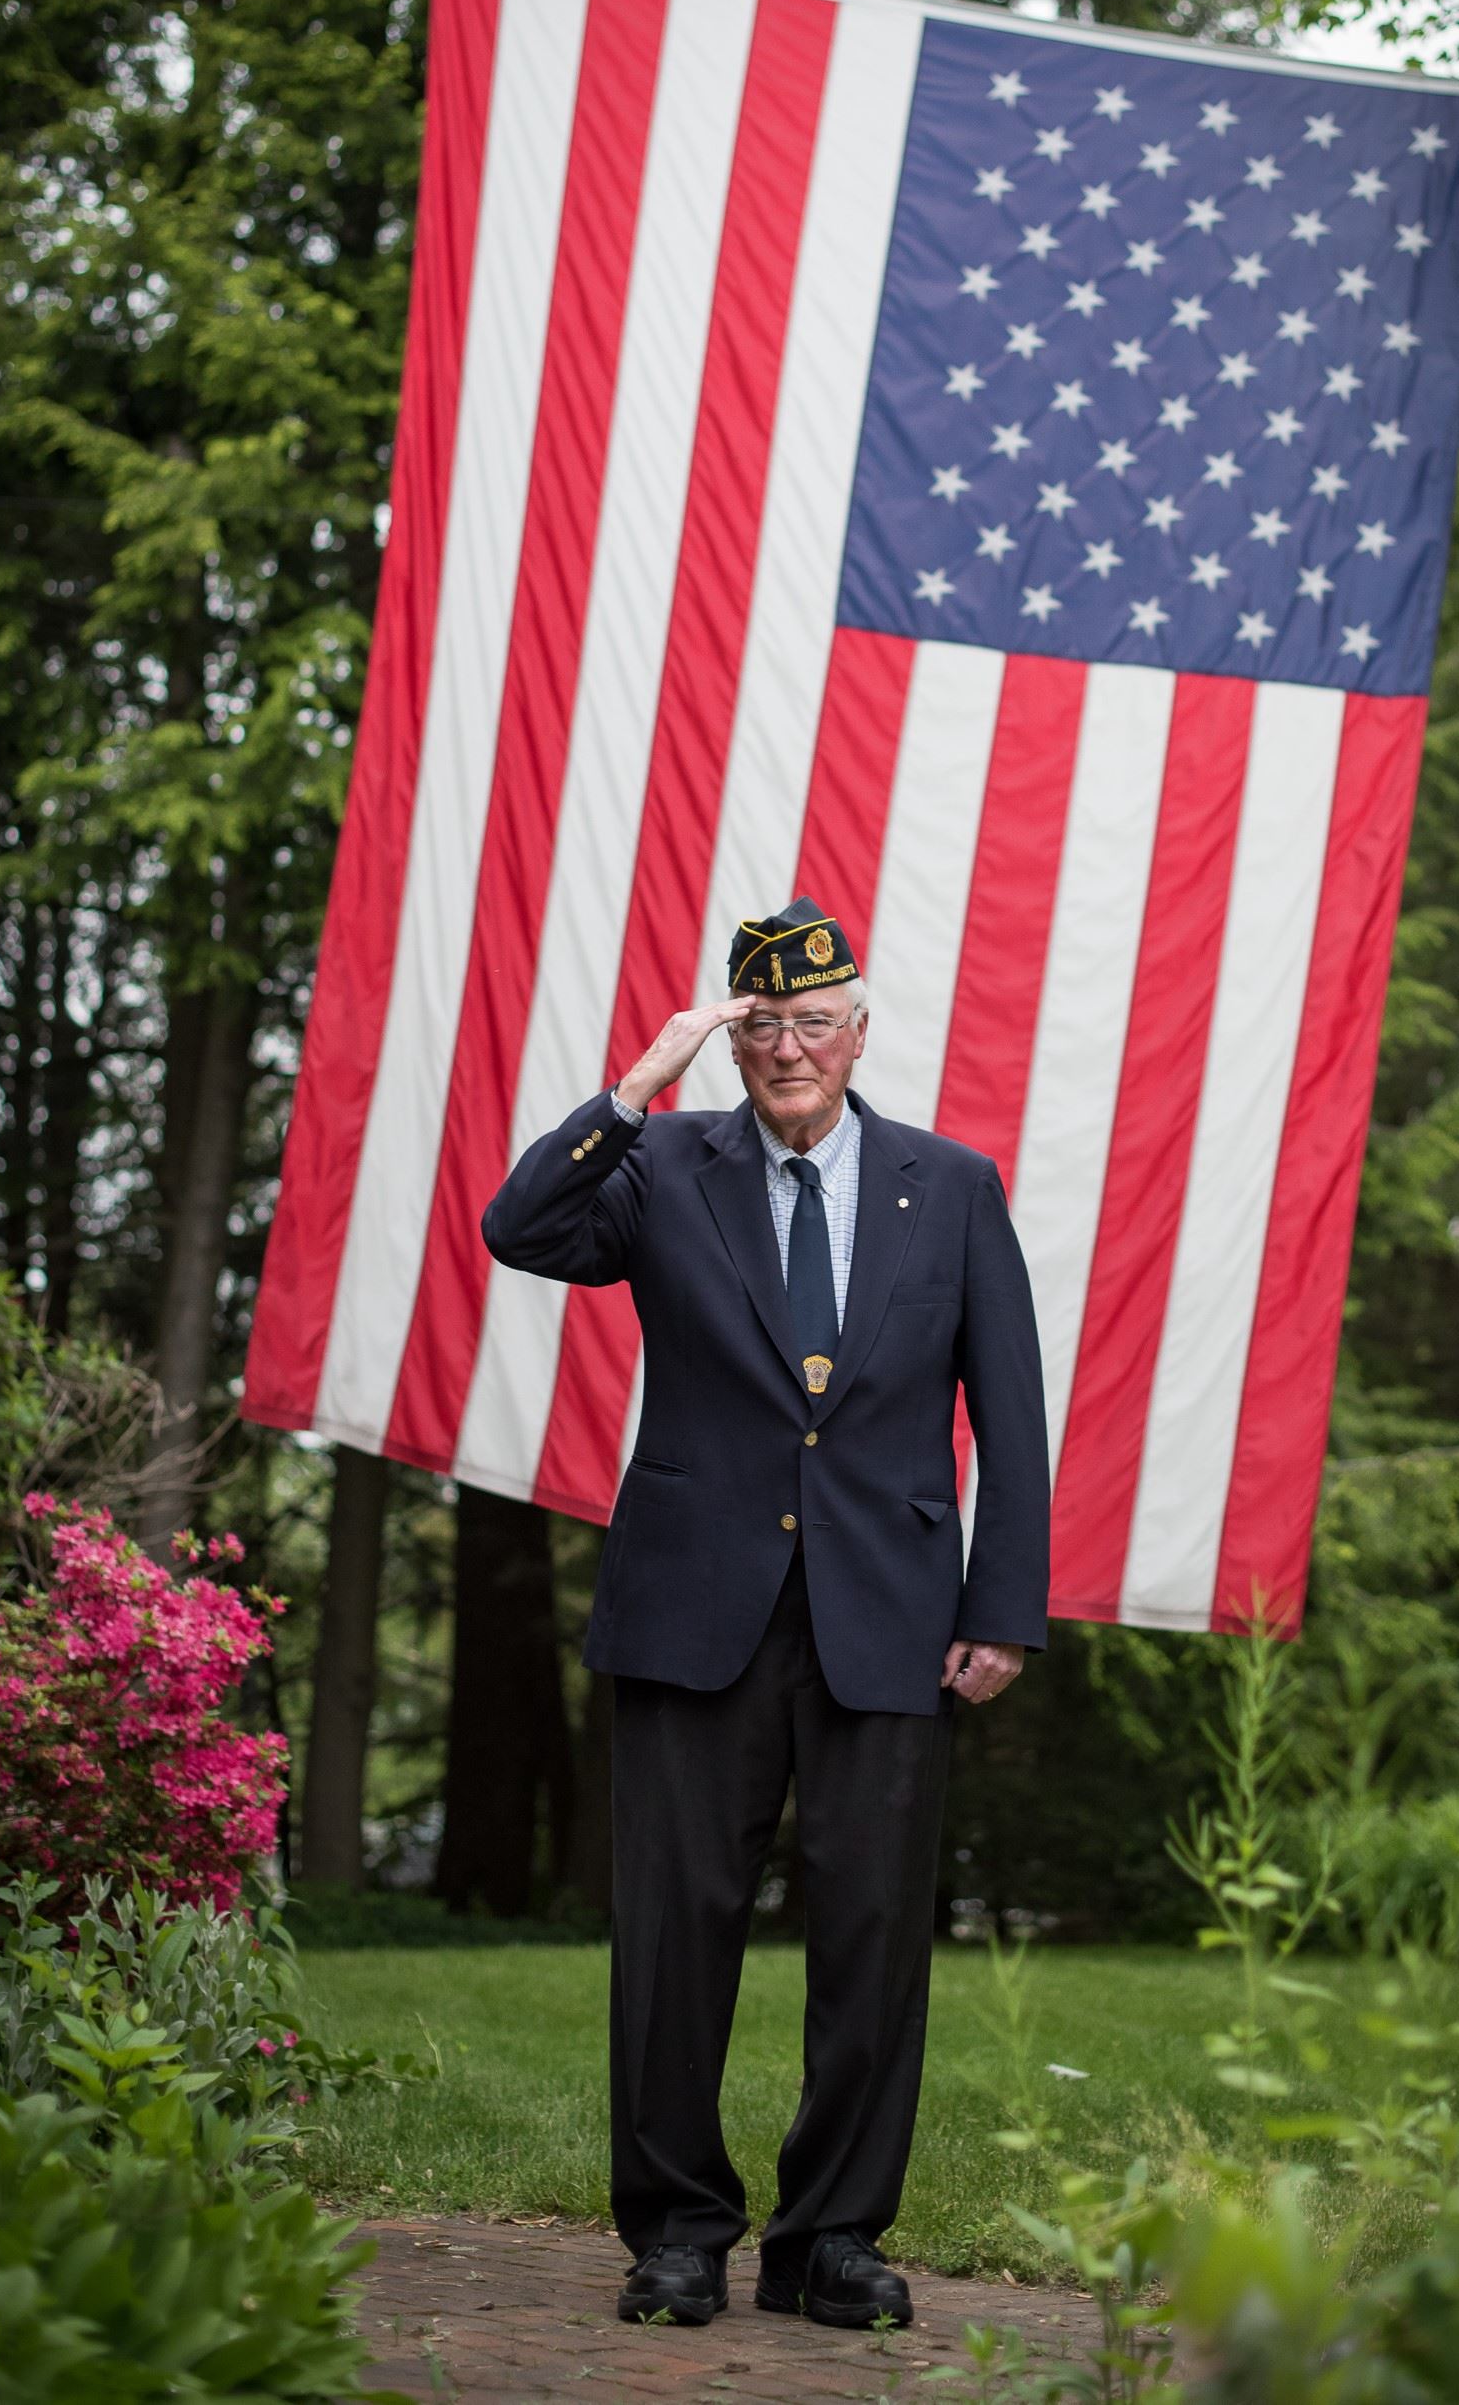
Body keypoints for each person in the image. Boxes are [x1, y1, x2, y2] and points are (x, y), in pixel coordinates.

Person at [483, 898, 1050, 2332]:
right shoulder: (666, 1164)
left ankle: (831, 2238)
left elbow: (1012, 1410)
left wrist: (1002, 1607)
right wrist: (641, 1080)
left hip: (893, 1614)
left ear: (858, 1032)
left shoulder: (950, 1184)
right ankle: (678, 2232)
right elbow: (519, 1226)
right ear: (732, 1041)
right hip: (694, 1608)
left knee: (873, 1936)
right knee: (674, 1936)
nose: (791, 1048)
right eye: (764, 1025)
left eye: (814, 1022)